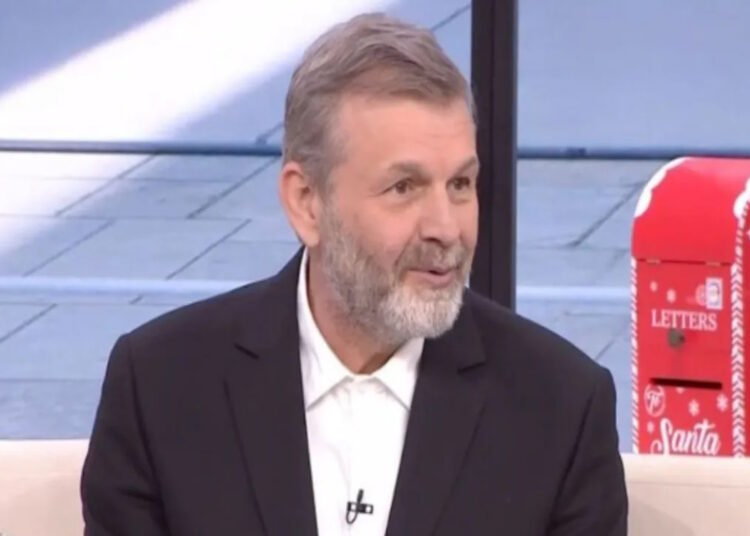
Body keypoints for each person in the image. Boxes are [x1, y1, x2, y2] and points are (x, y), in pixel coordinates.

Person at [80, 12, 627, 536]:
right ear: (307, 203)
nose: (446, 229)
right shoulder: (160, 388)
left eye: (460, 185)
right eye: (404, 187)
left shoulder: (560, 409)